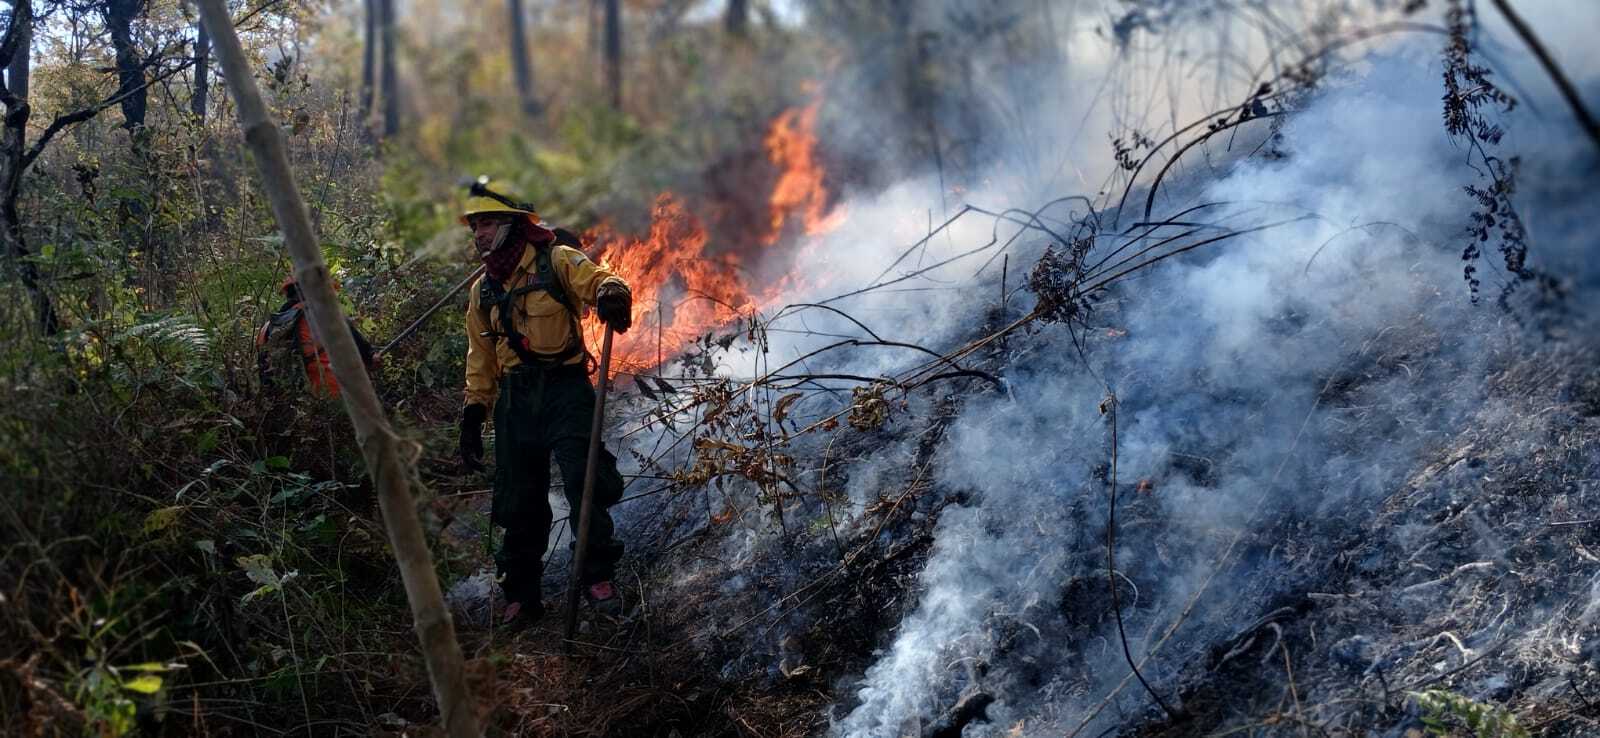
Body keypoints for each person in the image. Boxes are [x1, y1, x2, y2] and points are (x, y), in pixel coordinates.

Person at [455, 191, 633, 628]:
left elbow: (602, 279)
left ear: (512, 225)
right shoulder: (483, 290)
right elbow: (480, 357)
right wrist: (474, 412)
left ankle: (597, 577)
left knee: (584, 479)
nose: (479, 234)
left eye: (487, 224)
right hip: (515, 399)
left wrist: (612, 294)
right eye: (475, 226)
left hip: (565, 389)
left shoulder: (557, 260)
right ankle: (522, 595)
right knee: (518, 497)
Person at [256, 274, 378, 399]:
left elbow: (265, 380)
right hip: (335, 397)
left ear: (288, 294)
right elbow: (366, 353)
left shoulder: (266, 329)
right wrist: (372, 356)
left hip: (288, 404)